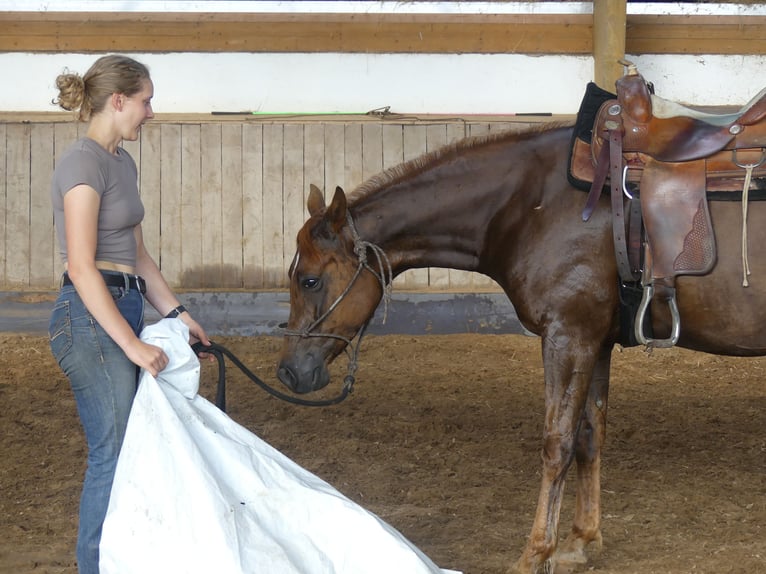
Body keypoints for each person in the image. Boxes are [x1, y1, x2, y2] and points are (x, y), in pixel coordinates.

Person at [48, 54, 211, 574]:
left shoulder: (122, 163)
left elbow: (139, 258)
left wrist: (180, 313)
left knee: (133, 449)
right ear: (119, 101)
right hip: (90, 315)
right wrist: (132, 343)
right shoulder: (82, 163)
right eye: (146, 101)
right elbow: (81, 264)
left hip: (125, 301)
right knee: (112, 452)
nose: (151, 112)